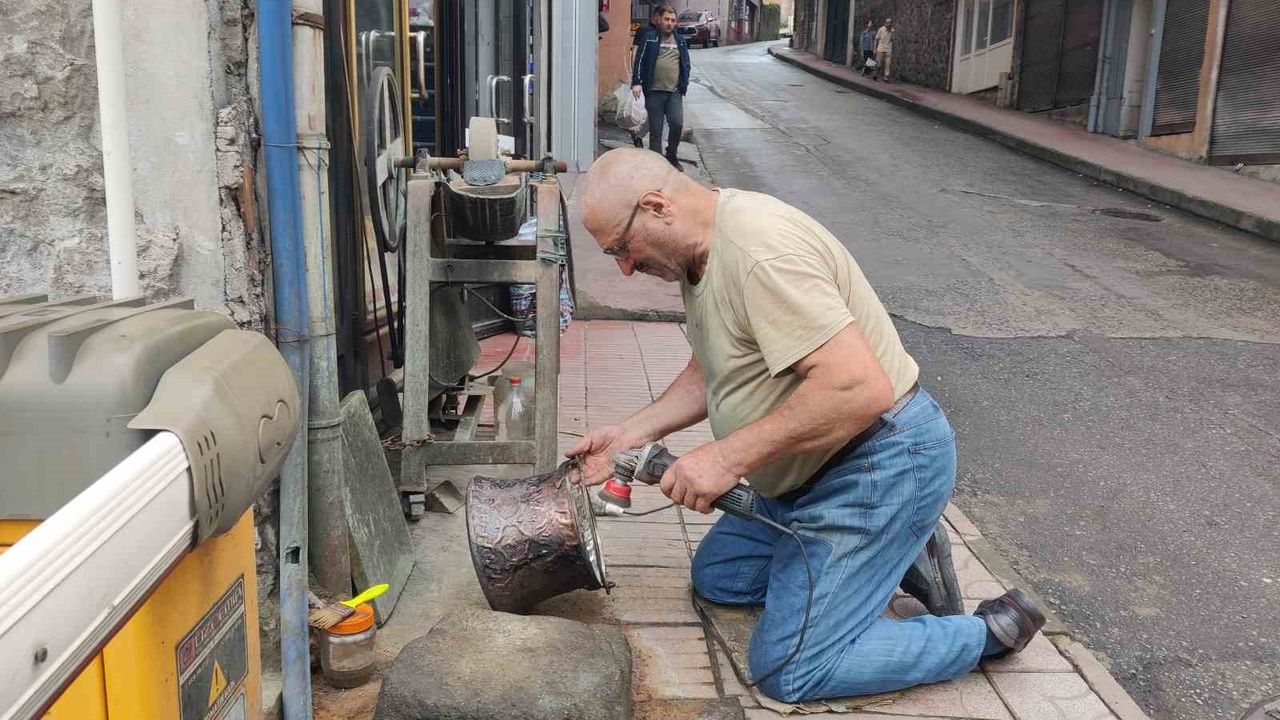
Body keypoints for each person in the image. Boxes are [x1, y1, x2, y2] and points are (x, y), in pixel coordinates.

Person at [571, 148, 1046, 703]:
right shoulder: (700, 250)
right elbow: (712, 367)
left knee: (792, 669)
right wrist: (632, 433)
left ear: (656, 207)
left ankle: (986, 633)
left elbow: (857, 388)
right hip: (804, 478)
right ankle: (883, 554)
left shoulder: (758, 254)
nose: (625, 267)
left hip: (878, 463)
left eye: (621, 250)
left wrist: (724, 459)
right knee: (720, 579)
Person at [631, 4, 690, 170]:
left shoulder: (680, 41)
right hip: (654, 92)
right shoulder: (650, 38)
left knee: (677, 123)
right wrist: (636, 82)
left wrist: (683, 83)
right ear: (659, 20)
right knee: (655, 131)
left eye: (673, 20)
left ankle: (671, 155)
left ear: (676, 22)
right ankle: (657, 166)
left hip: (674, 92)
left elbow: (685, 63)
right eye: (666, 19)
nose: (670, 23)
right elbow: (639, 60)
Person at [628, 8, 661, 148]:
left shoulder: (665, 33)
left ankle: (639, 134)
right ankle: (640, 135)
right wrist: (636, 77)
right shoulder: (644, 31)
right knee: (649, 111)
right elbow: (635, 52)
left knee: (656, 114)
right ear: (655, 16)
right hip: (645, 78)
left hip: (660, 80)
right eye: (662, 16)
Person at [874, 17, 894, 82]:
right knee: (879, 64)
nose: (889, 24)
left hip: (888, 49)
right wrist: (875, 49)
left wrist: (890, 46)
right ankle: (875, 73)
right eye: (888, 23)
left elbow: (892, 39)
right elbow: (876, 39)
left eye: (890, 23)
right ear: (885, 23)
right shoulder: (881, 30)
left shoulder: (892, 31)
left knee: (888, 64)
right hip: (880, 49)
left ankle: (886, 77)